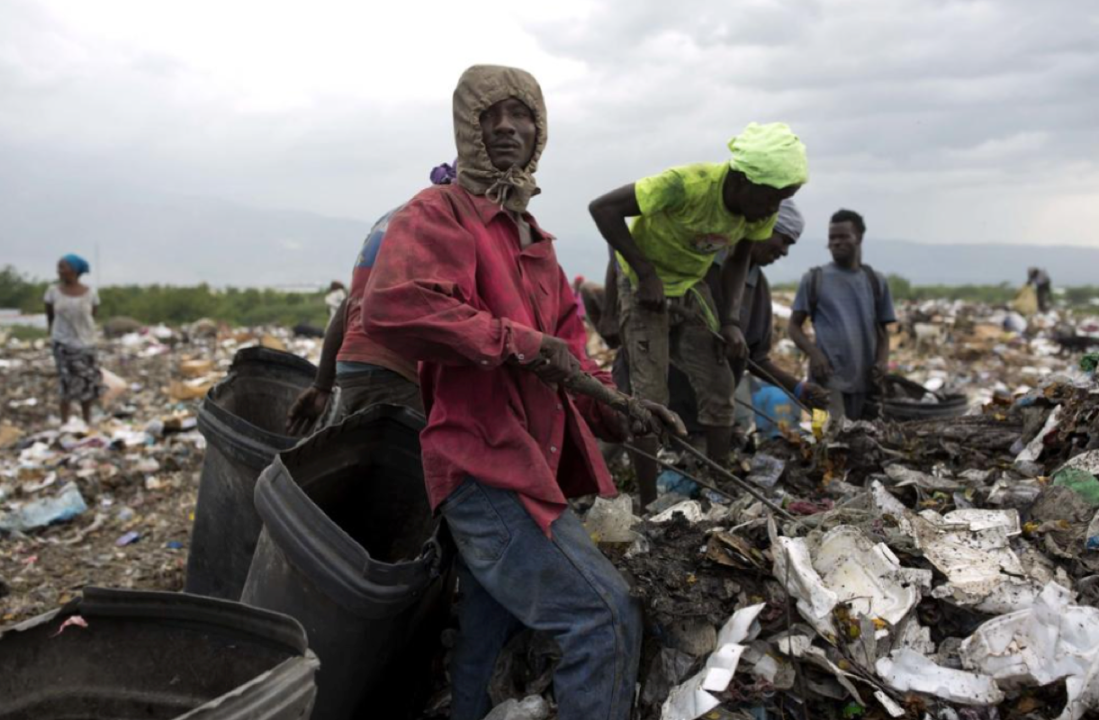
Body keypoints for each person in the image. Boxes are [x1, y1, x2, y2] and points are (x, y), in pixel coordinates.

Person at [360, 65, 684, 720]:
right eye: (490, 115)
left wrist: (623, 410)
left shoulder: (531, 238)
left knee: (487, 629)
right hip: (484, 467)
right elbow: (393, 307)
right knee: (604, 618)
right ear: (465, 127)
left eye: (523, 115)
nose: (507, 128)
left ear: (541, 131)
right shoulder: (436, 215)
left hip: (528, 463)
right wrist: (521, 342)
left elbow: (572, 355)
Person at [589, 122, 808, 507]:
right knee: (648, 396)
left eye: (784, 198)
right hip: (643, 287)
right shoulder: (685, 185)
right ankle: (647, 503)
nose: (775, 208)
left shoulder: (758, 212)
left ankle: (718, 489)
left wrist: (731, 321)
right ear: (743, 180)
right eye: (774, 197)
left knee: (719, 381)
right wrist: (645, 272)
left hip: (691, 285)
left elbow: (739, 257)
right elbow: (603, 209)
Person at [285, 161, 459, 434]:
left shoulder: (392, 218)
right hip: (394, 372)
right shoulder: (447, 222)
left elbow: (350, 306)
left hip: (357, 368)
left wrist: (322, 386)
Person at [789, 208, 896, 421]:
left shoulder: (875, 281)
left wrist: (883, 361)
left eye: (843, 236)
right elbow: (793, 327)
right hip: (827, 381)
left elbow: (883, 331)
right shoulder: (814, 279)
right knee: (829, 439)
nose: (836, 243)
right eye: (832, 238)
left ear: (859, 238)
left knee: (864, 441)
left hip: (866, 382)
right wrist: (815, 353)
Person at [44, 254, 102, 424]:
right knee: (66, 381)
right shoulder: (52, 291)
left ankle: (86, 420)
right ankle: (65, 422)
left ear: (75, 270)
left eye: (63, 267)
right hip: (62, 343)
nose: (59, 271)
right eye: (58, 267)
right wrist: (53, 336)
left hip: (86, 344)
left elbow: (92, 315)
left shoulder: (90, 292)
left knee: (87, 382)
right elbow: (50, 315)